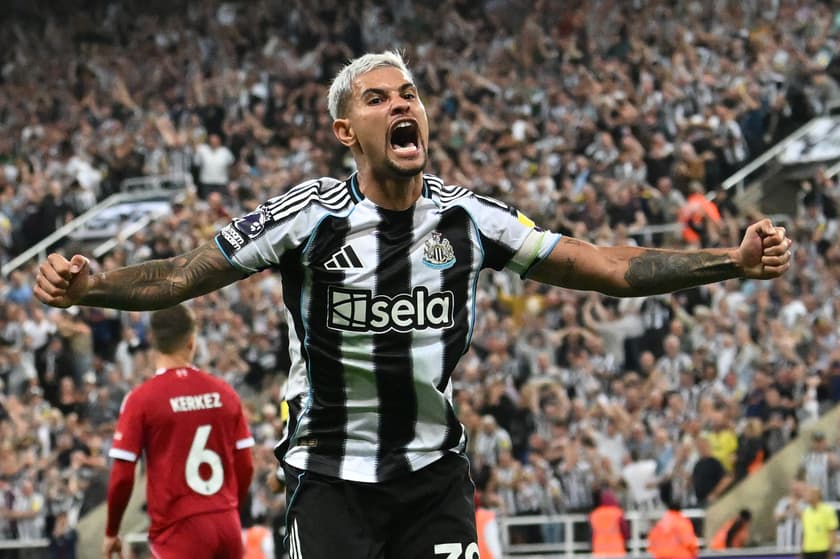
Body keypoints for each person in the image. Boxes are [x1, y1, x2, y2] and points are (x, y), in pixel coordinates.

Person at [34, 51, 793, 558]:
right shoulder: (306, 217)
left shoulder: (470, 218)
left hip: (433, 477)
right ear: (347, 130)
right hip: (329, 477)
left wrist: (728, 260)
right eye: (378, 99)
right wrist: (91, 285)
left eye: (410, 94)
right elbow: (180, 275)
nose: (403, 106)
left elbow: (612, 267)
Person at [101, 304, 255, 558]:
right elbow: (246, 466)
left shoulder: (142, 399)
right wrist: (228, 508)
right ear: (192, 341)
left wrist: (111, 531)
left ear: (152, 340)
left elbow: (122, 476)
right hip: (227, 523)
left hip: (179, 529)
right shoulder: (224, 392)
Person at [589, 488, 629, 558]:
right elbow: (625, 531)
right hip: (616, 549)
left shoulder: (594, 514)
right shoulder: (617, 513)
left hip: (599, 549)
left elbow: (591, 534)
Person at [801, 486, 838, 559]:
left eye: (810, 494)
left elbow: (832, 533)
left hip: (823, 550)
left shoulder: (828, 510)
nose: (808, 496)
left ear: (817, 495)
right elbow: (805, 533)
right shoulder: (806, 512)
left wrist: (831, 552)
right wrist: (802, 550)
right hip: (808, 550)